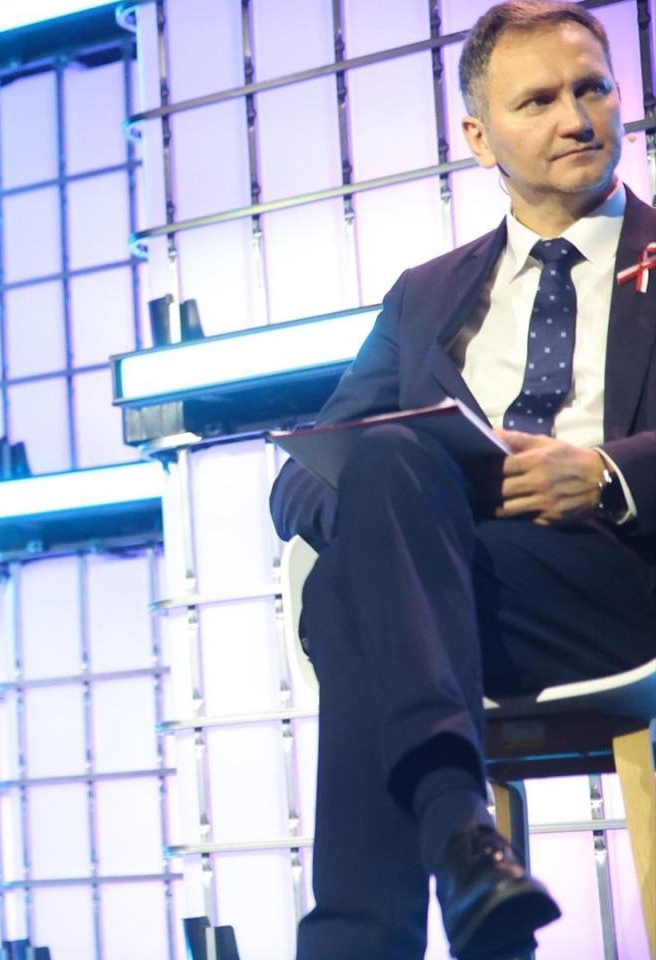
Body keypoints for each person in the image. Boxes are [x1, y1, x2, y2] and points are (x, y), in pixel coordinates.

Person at [269, 3, 656, 958]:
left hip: (612, 583)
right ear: (479, 137)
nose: (576, 117)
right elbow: (303, 477)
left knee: (358, 586)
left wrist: (607, 474)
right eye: (540, 100)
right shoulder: (423, 295)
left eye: (593, 88)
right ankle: (463, 849)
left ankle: (398, 895)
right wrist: (396, 500)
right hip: (449, 593)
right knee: (389, 478)